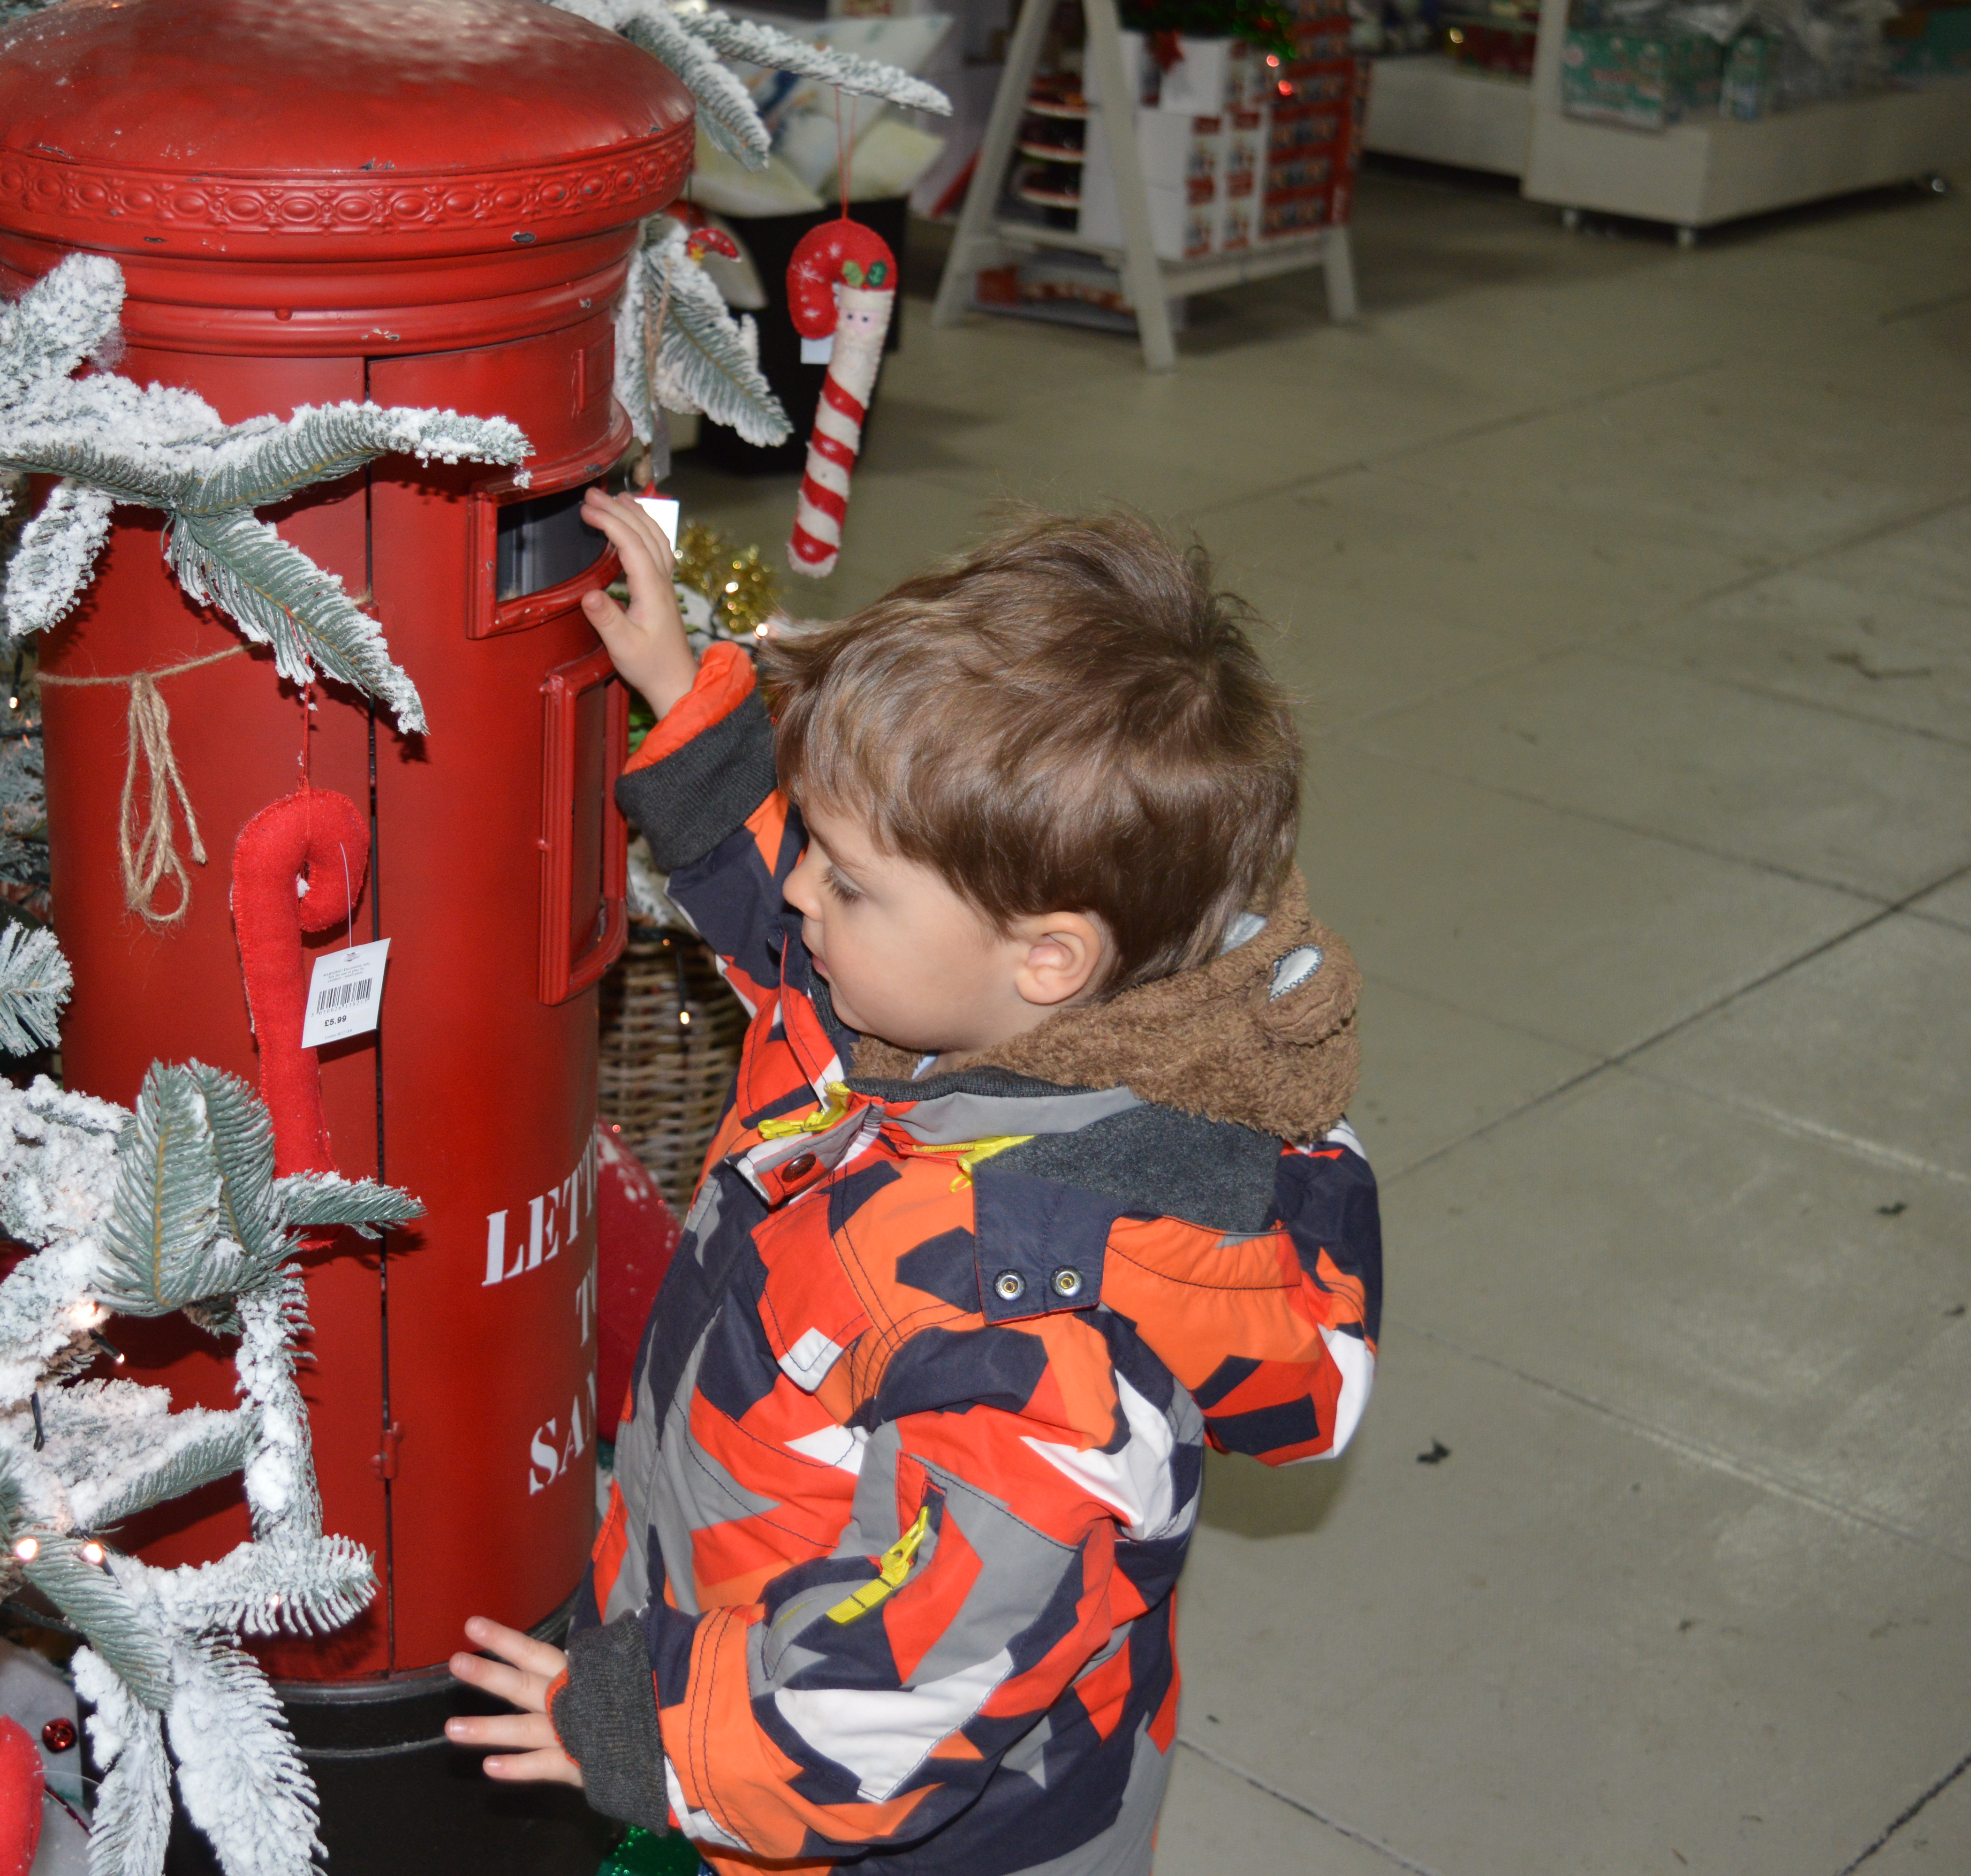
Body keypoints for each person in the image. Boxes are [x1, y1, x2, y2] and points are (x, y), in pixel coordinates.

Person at [444, 489, 1383, 1875]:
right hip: (741, 1637)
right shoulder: (949, 1011)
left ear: (1049, 958)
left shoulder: (1031, 1324)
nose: (808, 900)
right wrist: (681, 697)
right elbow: (784, 913)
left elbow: (906, 1695)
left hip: (904, 1830)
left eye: (855, 881)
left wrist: (651, 1739)